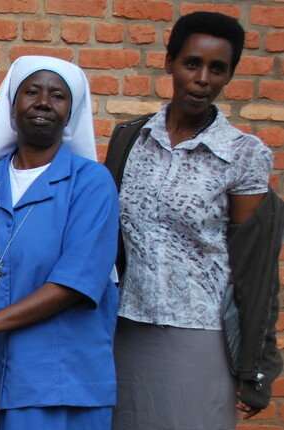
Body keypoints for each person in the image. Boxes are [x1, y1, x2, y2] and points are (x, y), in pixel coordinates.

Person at [105, 12, 277, 429]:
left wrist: (257, 366)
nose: (202, 78)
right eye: (192, 63)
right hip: (125, 329)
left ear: (228, 76)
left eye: (217, 69)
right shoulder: (131, 138)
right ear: (169, 63)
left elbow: (255, 268)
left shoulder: (243, 154)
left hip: (201, 335)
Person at [0, 56, 118, 429]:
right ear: (12, 107)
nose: (44, 102)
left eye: (58, 96)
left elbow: (77, 282)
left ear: (71, 112)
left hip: (64, 383)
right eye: (31, 92)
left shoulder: (91, 183)